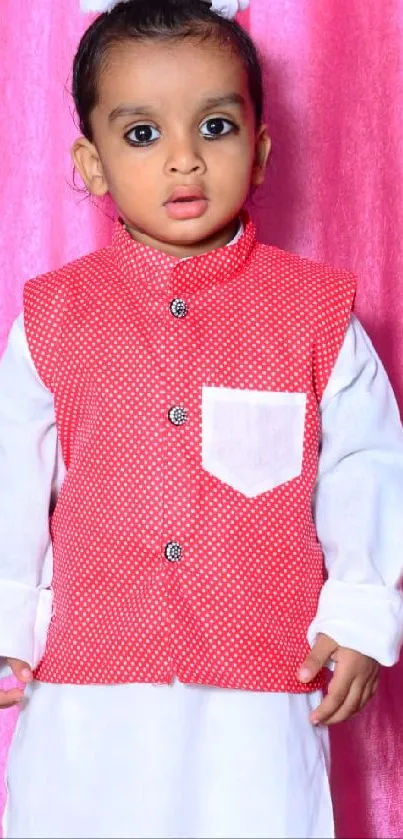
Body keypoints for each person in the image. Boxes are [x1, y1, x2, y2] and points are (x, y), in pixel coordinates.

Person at [0, 0, 402, 836]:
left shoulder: (316, 312)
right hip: (90, 684)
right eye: (142, 135)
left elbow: (367, 466)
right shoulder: (52, 316)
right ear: (94, 162)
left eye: (214, 126)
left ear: (257, 152)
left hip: (259, 686)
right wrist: (6, 617)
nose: (183, 160)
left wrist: (359, 610)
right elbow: (10, 475)